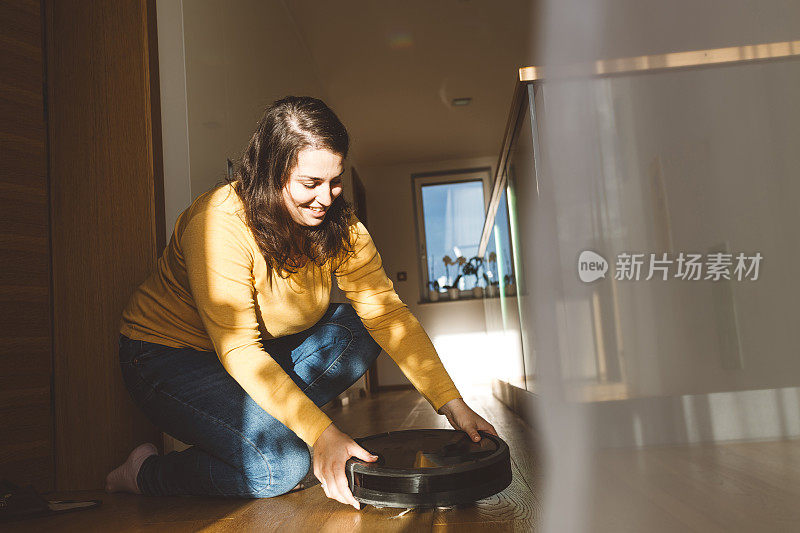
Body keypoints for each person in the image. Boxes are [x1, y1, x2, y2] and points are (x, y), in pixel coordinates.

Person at [106, 96, 496, 509]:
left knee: (361, 327)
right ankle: (146, 473)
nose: (326, 197)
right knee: (283, 466)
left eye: (335, 180)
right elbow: (239, 349)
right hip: (164, 358)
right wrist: (322, 435)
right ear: (269, 173)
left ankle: (270, 427)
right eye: (310, 183)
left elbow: (387, 313)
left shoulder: (340, 226)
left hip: (258, 350)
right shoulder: (219, 221)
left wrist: (452, 404)